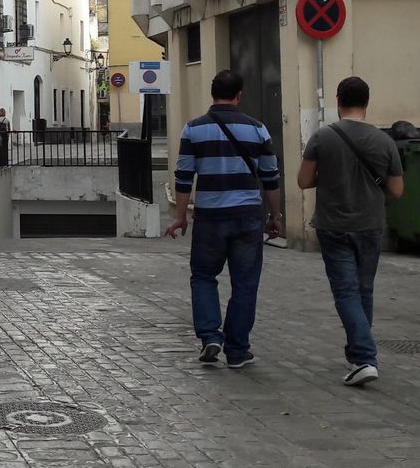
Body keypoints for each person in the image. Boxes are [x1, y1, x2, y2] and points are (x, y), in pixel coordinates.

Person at [165, 70, 282, 369]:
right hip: (247, 216)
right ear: (239, 95)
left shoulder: (193, 129)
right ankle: (238, 350)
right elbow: (270, 178)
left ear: (212, 93)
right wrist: (275, 216)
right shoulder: (258, 129)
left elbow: (183, 176)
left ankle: (210, 337)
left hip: (210, 217)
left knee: (203, 276)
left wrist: (181, 216)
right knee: (245, 283)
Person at [297, 76, 405, 388]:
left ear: (338, 101)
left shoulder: (323, 137)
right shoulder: (385, 141)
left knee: (345, 292)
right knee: (364, 290)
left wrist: (330, 174)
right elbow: (397, 190)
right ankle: (358, 356)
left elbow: (304, 181)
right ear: (367, 103)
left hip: (333, 225)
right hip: (370, 224)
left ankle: (364, 357)